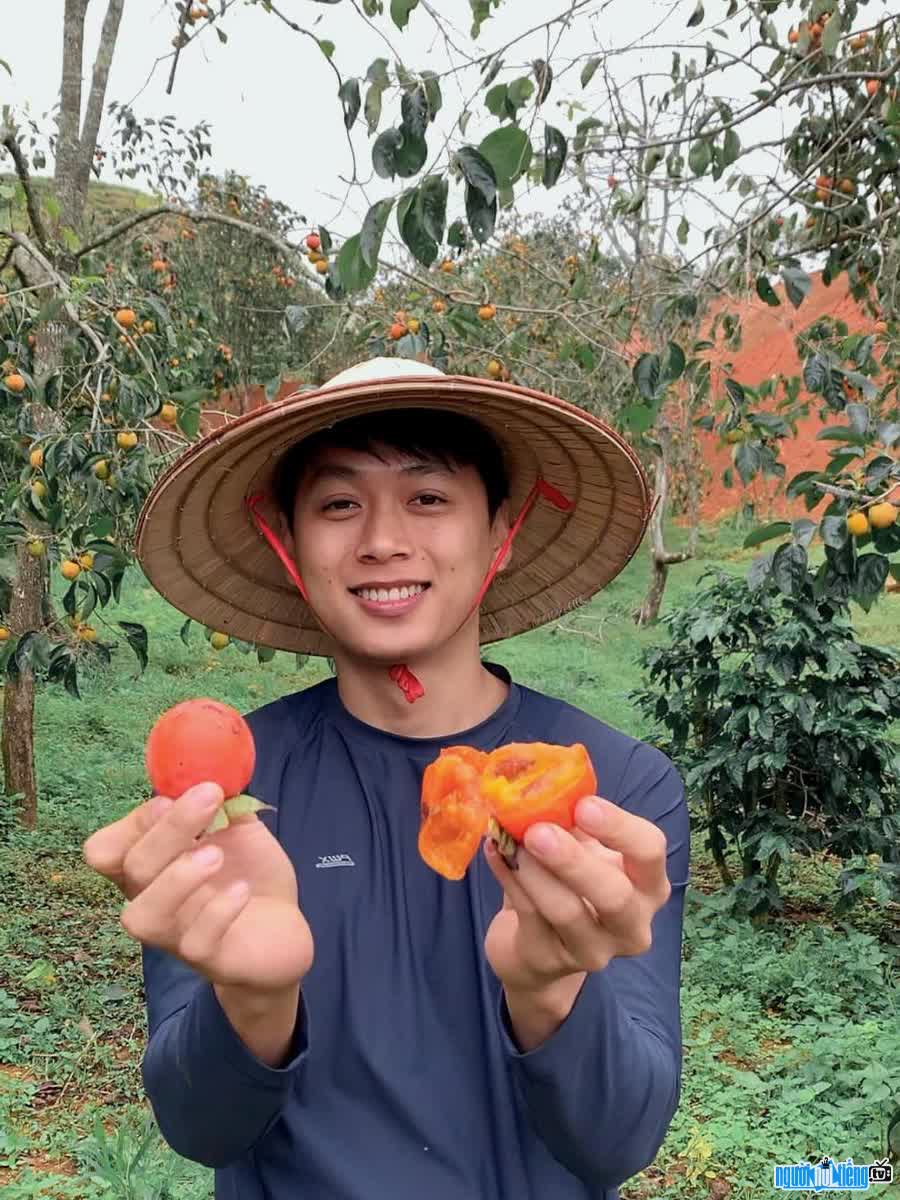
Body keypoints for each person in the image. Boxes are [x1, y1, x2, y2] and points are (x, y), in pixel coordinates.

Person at [83, 356, 690, 1200]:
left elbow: (619, 1141)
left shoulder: (615, 787)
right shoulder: (226, 795)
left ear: (500, 532)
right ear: (288, 543)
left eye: (429, 497)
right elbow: (200, 1129)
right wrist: (255, 1005)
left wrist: (550, 990)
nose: (382, 540)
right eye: (338, 503)